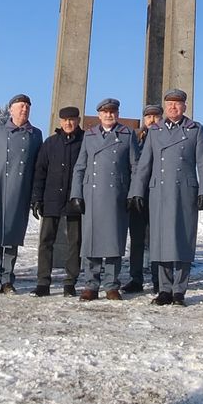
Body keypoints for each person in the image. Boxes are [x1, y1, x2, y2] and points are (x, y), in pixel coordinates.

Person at [129, 88, 203, 306]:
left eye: (177, 104)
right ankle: (164, 289)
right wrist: (137, 191)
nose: (173, 107)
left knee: (183, 239)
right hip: (160, 192)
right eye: (169, 104)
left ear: (185, 107)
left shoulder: (195, 129)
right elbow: (145, 164)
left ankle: (179, 290)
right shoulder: (155, 131)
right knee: (161, 240)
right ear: (165, 107)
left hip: (185, 191)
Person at [69, 98, 138, 300]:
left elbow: (135, 167)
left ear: (117, 114)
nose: (109, 115)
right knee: (91, 242)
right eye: (105, 112)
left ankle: (111, 285)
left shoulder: (127, 135)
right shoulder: (89, 136)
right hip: (92, 195)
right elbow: (80, 167)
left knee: (113, 242)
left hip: (117, 195)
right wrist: (76, 194)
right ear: (99, 115)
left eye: (113, 112)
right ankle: (91, 284)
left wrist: (133, 193)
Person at [0, 93, 43, 294]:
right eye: (20, 106)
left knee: (12, 236)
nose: (24, 109)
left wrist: (34, 195)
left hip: (20, 189)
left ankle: (8, 279)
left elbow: (37, 166)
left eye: (27, 107)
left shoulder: (35, 134)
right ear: (11, 109)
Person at [31, 106, 84, 297]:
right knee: (46, 241)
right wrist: (36, 198)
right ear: (60, 122)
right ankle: (43, 282)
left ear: (78, 120)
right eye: (65, 120)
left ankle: (70, 282)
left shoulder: (85, 141)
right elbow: (40, 172)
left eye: (72, 120)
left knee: (75, 242)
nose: (68, 123)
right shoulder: (50, 143)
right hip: (51, 198)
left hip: (74, 200)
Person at [125, 103, 162, 294]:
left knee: (156, 239)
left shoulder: (164, 136)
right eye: (149, 117)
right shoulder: (135, 138)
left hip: (158, 195)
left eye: (156, 116)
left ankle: (158, 279)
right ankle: (136, 278)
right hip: (138, 196)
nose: (152, 120)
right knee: (137, 239)